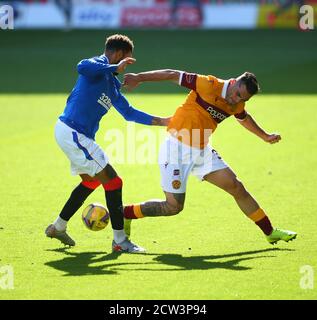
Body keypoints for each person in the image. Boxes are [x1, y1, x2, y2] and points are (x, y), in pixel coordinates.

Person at [122, 69, 297, 245]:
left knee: (236, 187)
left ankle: (270, 232)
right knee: (173, 207)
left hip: (201, 151)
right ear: (234, 81)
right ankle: (125, 213)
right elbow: (171, 74)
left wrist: (265, 136)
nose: (237, 100)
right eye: (237, 95)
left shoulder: (237, 104)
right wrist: (139, 78)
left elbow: (244, 118)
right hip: (176, 150)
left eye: (243, 99)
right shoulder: (208, 84)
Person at [45, 34, 170, 253]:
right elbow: (82, 67)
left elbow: (129, 113)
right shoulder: (97, 64)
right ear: (119, 54)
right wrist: (114, 67)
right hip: (73, 131)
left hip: (76, 135)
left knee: (92, 181)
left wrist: (163, 122)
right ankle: (120, 241)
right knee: (114, 181)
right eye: (126, 59)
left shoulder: (112, 85)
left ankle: (58, 227)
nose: (125, 64)